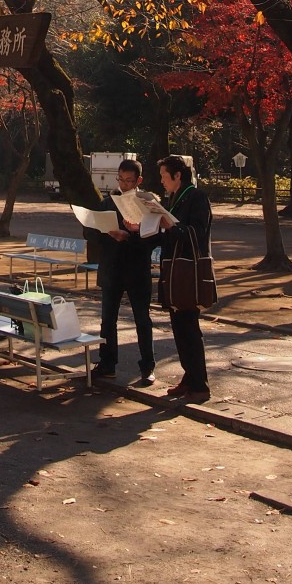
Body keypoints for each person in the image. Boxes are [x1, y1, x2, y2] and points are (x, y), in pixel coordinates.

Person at [92, 159, 157, 385]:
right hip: (112, 268)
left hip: (137, 270)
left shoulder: (147, 203)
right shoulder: (107, 202)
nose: (125, 184)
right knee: (107, 320)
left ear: (139, 180)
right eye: (121, 179)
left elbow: (154, 239)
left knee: (142, 320)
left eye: (130, 180)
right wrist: (109, 233)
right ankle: (107, 363)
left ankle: (147, 367)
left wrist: (131, 236)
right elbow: (91, 232)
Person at [157, 154, 213, 404]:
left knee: (189, 327)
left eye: (164, 176)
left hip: (189, 271)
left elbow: (198, 234)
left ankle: (200, 383)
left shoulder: (197, 196)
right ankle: (189, 377)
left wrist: (172, 227)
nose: (162, 181)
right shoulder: (174, 198)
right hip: (173, 268)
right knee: (178, 326)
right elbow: (170, 233)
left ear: (178, 175)